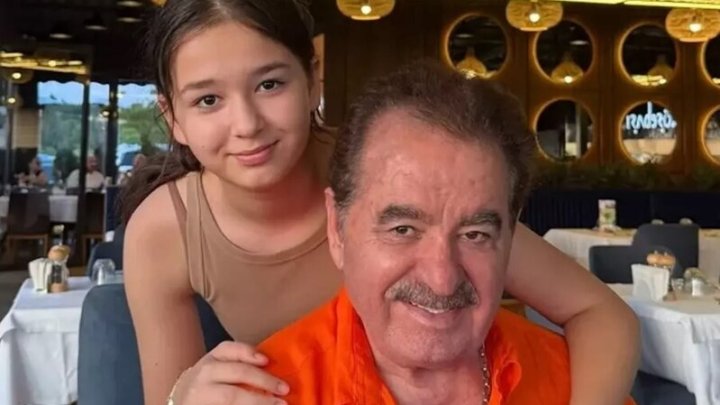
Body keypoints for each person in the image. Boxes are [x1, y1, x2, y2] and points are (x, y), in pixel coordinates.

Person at [121, 1, 639, 405]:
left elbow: (599, 313)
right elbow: (170, 393)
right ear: (173, 117)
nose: (246, 124)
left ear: (314, 80)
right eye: (208, 100)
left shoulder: (390, 173)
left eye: (270, 83)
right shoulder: (164, 232)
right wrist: (180, 396)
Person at [253, 61, 636, 405]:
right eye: (403, 229)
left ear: (509, 237)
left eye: (474, 235)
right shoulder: (268, 392)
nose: (441, 280)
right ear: (337, 228)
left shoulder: (574, 383)